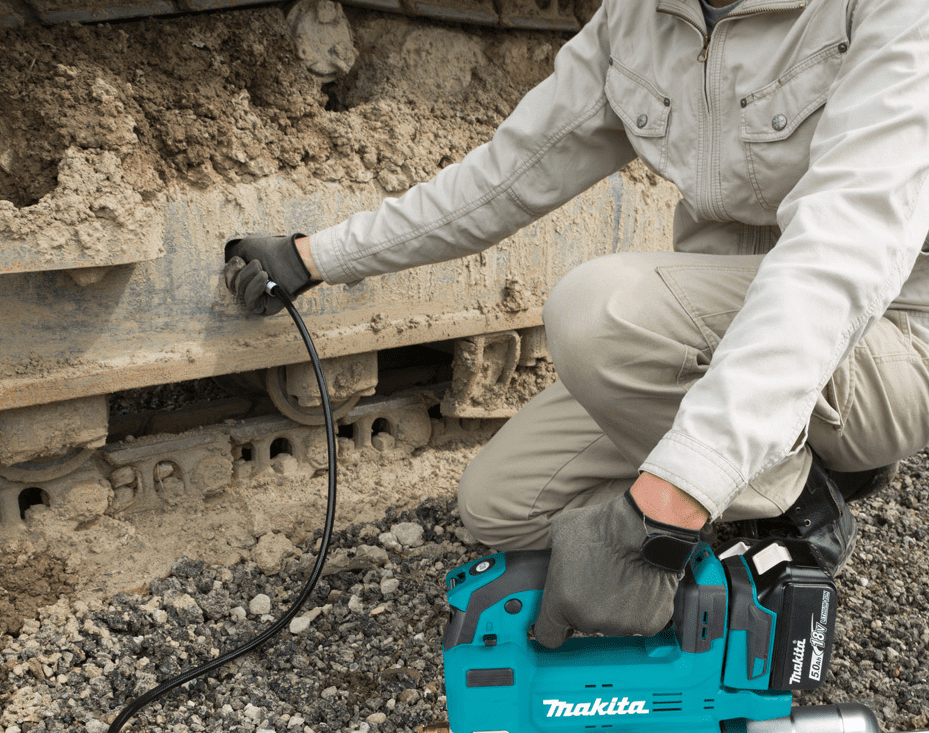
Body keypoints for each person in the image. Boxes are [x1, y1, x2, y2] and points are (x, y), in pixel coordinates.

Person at [225, 0, 929, 648]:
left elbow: (837, 256)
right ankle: (773, 486)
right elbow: (506, 175)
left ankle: (802, 511)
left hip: (881, 339)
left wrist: (664, 511)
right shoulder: (639, 17)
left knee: (601, 312)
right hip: (722, 337)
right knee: (502, 505)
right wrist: (314, 257)